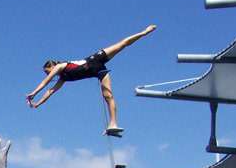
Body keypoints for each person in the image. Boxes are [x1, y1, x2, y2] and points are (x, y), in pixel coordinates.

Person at [26, 25, 156, 134]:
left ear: (52, 66)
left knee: (121, 45)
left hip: (95, 60)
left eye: (47, 71)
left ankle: (144, 32)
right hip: (98, 72)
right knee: (108, 97)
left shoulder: (60, 66)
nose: (47, 74)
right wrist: (38, 103)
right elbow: (51, 91)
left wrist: (34, 93)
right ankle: (113, 125)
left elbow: (46, 82)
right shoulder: (63, 78)